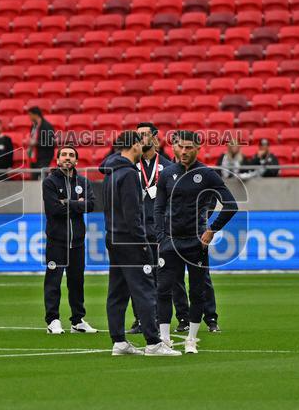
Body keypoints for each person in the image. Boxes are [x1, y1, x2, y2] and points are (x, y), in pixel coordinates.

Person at [154, 130, 239, 354]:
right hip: (170, 242)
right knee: (163, 290)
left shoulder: (207, 174)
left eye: (189, 147)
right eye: (180, 146)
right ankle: (164, 338)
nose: (184, 151)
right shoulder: (167, 174)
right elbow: (158, 208)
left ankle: (191, 339)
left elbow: (231, 204)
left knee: (197, 292)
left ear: (198, 149)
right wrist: (160, 236)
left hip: (196, 242)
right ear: (174, 147)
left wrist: (211, 230)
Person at [100, 131, 180, 356]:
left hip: (114, 237)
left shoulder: (110, 172)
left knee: (117, 291)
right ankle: (153, 342)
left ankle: (118, 341)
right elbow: (132, 214)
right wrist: (142, 243)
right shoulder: (129, 174)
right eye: (140, 141)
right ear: (134, 145)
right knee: (145, 289)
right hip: (130, 241)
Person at [124, 123, 193, 335]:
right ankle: (141, 318)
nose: (141, 139)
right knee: (140, 275)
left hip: (163, 229)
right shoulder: (129, 166)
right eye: (138, 135)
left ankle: (183, 317)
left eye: (145, 135)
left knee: (172, 274)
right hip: (138, 228)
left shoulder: (168, 167)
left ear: (155, 138)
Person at [42, 145, 97, 335]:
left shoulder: (83, 181)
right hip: (56, 241)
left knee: (77, 282)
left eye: (71, 155)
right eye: (64, 155)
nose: (67, 158)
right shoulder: (49, 182)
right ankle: (53, 320)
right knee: (53, 281)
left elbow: (90, 205)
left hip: (77, 242)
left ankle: (77, 320)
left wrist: (66, 202)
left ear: (76, 160)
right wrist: (77, 204)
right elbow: (54, 209)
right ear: (57, 160)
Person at [27, 106, 55, 174]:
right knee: (34, 178)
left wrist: (36, 143)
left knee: (42, 177)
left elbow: (51, 142)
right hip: (34, 157)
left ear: (36, 115)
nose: (29, 117)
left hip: (44, 157)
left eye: (30, 115)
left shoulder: (47, 126)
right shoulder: (33, 126)